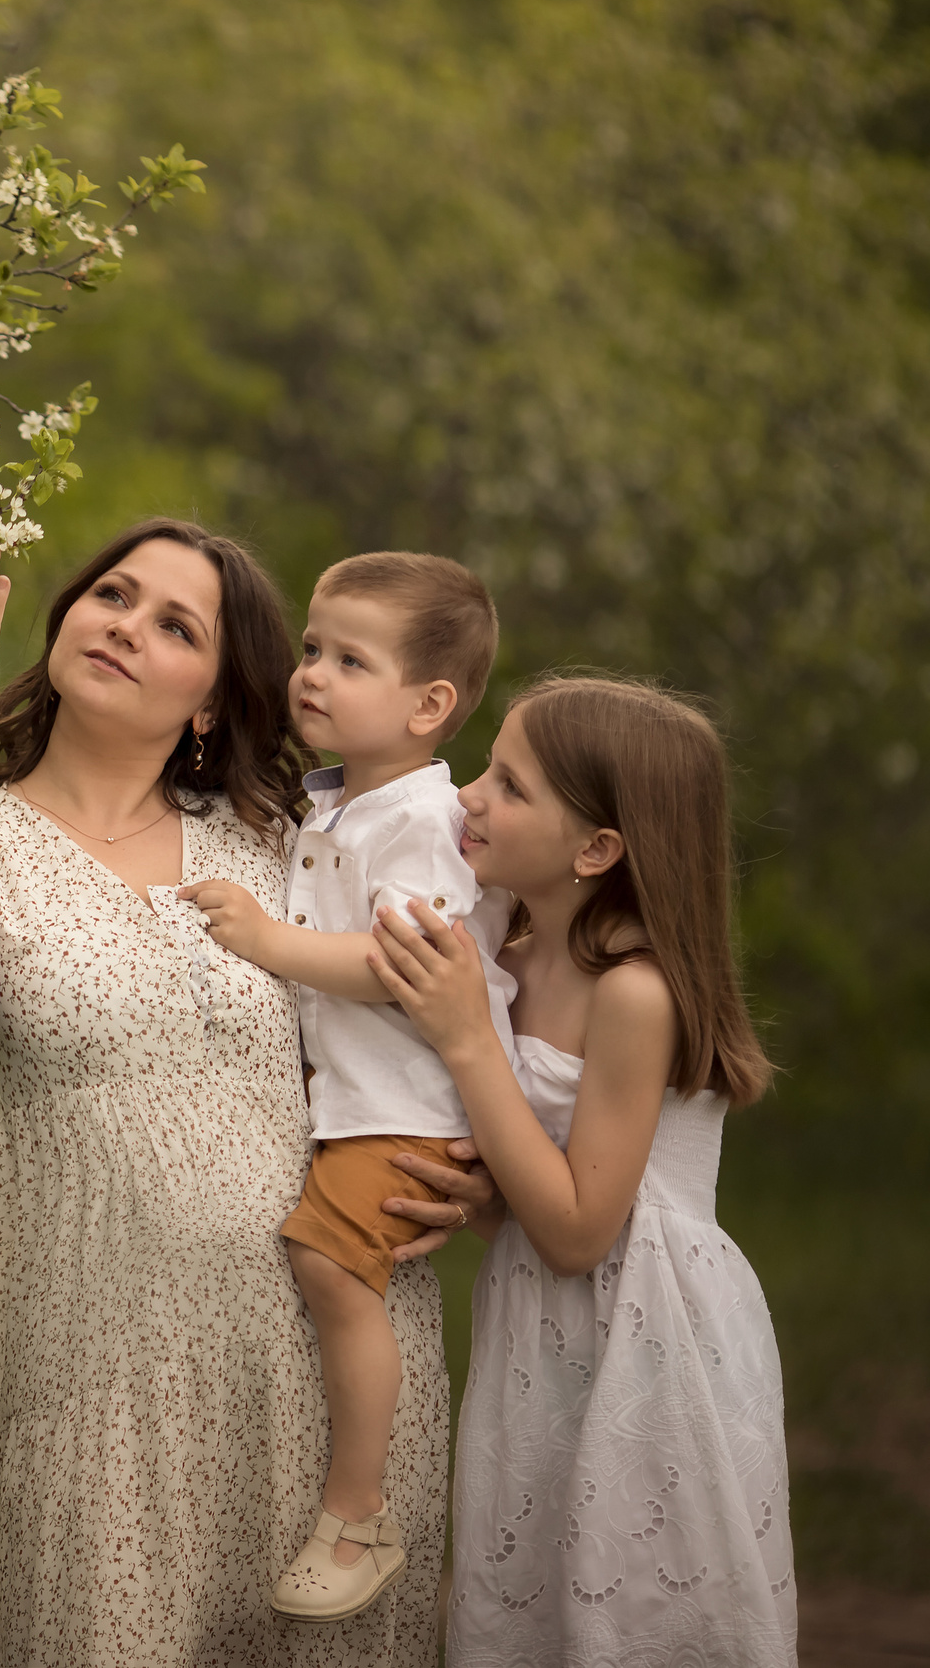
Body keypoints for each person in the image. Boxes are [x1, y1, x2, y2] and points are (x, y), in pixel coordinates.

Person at [0, 520, 492, 1668]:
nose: (127, 626)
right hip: (95, 1361)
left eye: (175, 624)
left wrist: (469, 1168)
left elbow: (426, 1008)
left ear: (210, 697)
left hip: (320, 1359)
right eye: (112, 596)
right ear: (61, 628)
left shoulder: (278, 842)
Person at [363, 674, 796, 1666]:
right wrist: (482, 1198)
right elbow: (537, 1195)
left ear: (595, 850)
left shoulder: (633, 991)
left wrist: (470, 1040)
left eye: (508, 786)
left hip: (650, 1337)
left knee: (633, 1609)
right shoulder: (512, 945)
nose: (467, 794)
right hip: (542, 1333)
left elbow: (579, 1232)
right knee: (537, 1599)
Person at [179, 553, 521, 1623]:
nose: (312, 674)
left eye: (349, 659)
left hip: (407, 1106)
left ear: (430, 706)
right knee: (323, 1267)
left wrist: (263, 937)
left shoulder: (420, 819)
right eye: (313, 649)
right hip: (362, 1099)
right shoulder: (339, 803)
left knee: (327, 1266)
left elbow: (397, 967)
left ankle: (357, 1510)